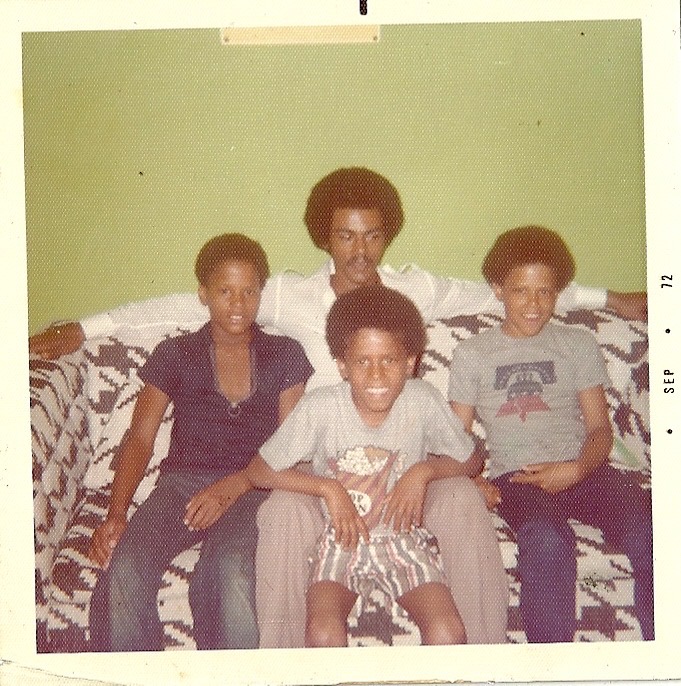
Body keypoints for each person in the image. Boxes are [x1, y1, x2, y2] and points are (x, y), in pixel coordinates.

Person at [29, 167, 646, 647]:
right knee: (283, 510)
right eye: (346, 235)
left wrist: (613, 299)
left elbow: (506, 291)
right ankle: (282, 668)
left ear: (387, 234)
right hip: (317, 465)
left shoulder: (413, 288)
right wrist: (86, 328)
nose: (360, 249)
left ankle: (481, 663)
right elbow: (183, 306)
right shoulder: (288, 295)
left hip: (408, 462)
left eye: (372, 234)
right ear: (325, 236)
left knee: (460, 497)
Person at [87, 233, 313, 651]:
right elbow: (139, 439)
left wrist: (237, 485)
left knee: (230, 570)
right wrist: (116, 513)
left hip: (255, 488)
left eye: (249, 291)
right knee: (125, 569)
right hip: (182, 488)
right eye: (225, 291)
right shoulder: (175, 353)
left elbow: (290, 449)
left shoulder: (285, 354)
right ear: (203, 294)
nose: (238, 303)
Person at [448, 225, 654, 643]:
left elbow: (600, 429)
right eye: (521, 291)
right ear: (498, 290)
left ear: (558, 292)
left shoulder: (577, 344)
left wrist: (577, 469)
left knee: (650, 526)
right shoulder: (473, 353)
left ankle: (665, 651)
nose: (534, 304)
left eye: (545, 292)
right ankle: (550, 662)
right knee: (547, 539)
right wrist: (472, 481)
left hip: (583, 469)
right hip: (518, 477)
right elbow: (455, 438)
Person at [246, 285, 482, 646]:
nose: (376, 375)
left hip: (402, 541)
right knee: (323, 632)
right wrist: (328, 488)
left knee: (448, 632)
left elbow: (472, 458)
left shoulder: (422, 400)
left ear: (410, 363)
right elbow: (259, 470)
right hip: (339, 543)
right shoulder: (321, 406)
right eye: (362, 362)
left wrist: (424, 471)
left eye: (389, 360)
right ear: (342, 365)